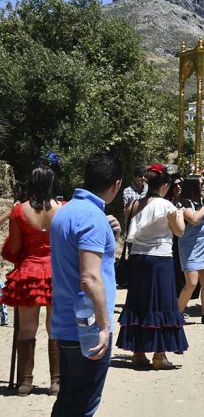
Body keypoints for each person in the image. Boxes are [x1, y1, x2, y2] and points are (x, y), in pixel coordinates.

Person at [50, 154, 122, 416]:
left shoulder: (66, 211)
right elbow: (89, 278)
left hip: (65, 323)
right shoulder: (91, 218)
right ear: (116, 184)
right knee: (82, 406)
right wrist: (104, 327)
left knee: (68, 401)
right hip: (87, 329)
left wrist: (110, 234)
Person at [1, 155, 63, 396]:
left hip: (29, 273)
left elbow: (13, 248)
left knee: (26, 328)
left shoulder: (18, 211)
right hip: (56, 273)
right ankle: (56, 382)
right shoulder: (63, 208)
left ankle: (25, 382)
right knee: (55, 328)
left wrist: (17, 257)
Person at [116, 164, 188, 370]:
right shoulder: (167, 207)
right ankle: (159, 354)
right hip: (160, 258)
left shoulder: (134, 204)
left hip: (138, 259)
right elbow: (180, 231)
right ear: (165, 185)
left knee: (139, 302)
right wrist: (179, 215)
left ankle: (138, 353)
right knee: (162, 303)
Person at [177, 178, 204, 326]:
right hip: (189, 248)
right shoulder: (184, 203)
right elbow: (194, 219)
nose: (203, 187)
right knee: (191, 282)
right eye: (200, 185)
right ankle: (177, 314)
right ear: (193, 187)